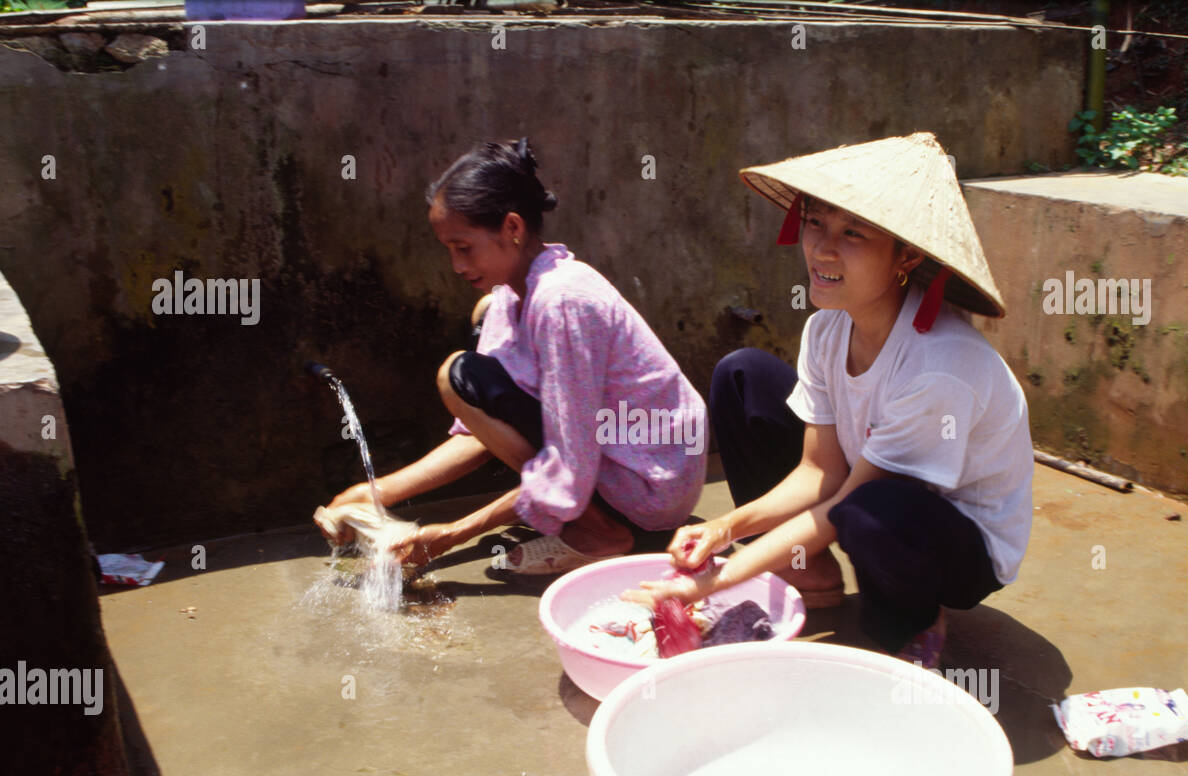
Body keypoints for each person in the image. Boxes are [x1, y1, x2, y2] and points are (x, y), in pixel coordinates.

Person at [626, 133, 1033, 668]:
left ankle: (911, 620)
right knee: (742, 374)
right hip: (869, 493)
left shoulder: (941, 366)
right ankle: (806, 565)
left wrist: (710, 581)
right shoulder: (826, 329)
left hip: (960, 547)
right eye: (815, 222)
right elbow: (819, 471)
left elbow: (845, 505)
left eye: (853, 233)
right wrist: (723, 529)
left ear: (905, 256)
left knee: (869, 511)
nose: (821, 248)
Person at [320, 138, 707, 575]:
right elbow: (479, 435)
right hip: (617, 465)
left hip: (651, 487)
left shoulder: (563, 301)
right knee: (472, 353)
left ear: (513, 228)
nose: (457, 266)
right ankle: (586, 518)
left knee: (458, 374)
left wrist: (453, 534)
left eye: (464, 247)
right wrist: (374, 493)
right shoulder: (508, 296)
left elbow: (571, 461)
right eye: (448, 249)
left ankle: (600, 532)